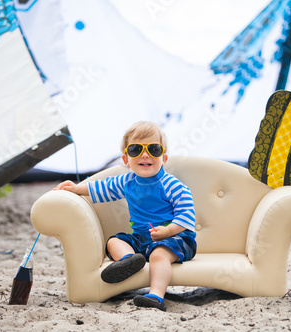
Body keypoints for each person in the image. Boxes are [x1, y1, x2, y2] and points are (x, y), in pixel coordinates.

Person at [53, 121, 197, 311]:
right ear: (126, 159)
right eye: (136, 149)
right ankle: (129, 260)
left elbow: (186, 214)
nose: (145, 154)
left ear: (164, 158)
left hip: (175, 238)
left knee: (159, 254)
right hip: (142, 239)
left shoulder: (171, 185)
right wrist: (77, 188)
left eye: (153, 149)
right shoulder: (127, 181)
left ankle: (156, 295)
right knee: (114, 241)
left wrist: (168, 231)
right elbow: (102, 187)